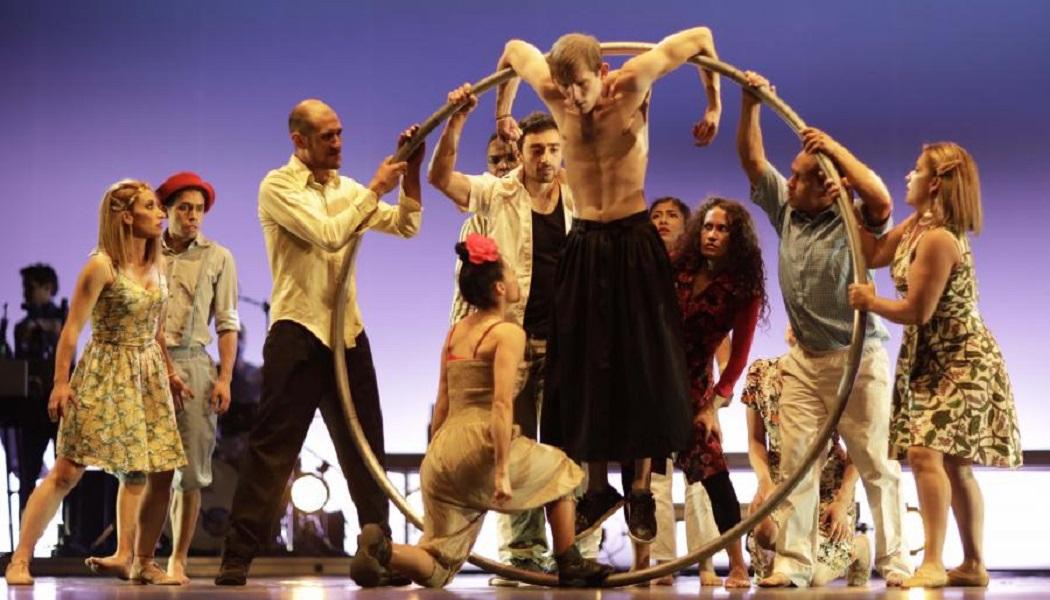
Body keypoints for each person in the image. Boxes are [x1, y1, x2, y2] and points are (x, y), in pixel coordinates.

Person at [494, 26, 722, 543]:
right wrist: (502, 113)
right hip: (586, 240)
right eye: (564, 88)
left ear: (602, 72)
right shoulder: (556, 93)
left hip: (632, 237)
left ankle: (638, 488)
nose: (573, 98)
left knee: (642, 360)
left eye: (581, 86)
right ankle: (597, 488)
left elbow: (701, 38)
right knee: (583, 361)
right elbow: (513, 50)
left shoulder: (634, 82)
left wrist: (714, 105)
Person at [214, 99, 424, 586]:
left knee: (366, 449)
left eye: (339, 133)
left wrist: (411, 172)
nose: (337, 143)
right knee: (274, 449)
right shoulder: (278, 186)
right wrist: (375, 188)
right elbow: (328, 235)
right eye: (327, 136)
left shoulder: (346, 189)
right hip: (299, 332)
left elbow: (407, 225)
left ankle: (379, 553)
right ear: (300, 140)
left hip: (347, 333)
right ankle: (237, 555)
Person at [350, 235, 613, 588]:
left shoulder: (455, 333)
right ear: (500, 288)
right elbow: (501, 404)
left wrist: (434, 458)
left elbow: (443, 401)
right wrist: (501, 471)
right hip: (481, 445)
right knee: (563, 470)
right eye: (512, 274)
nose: (518, 280)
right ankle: (570, 561)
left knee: (439, 566)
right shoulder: (507, 333)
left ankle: (382, 550)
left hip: (443, 452)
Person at [736, 71, 910, 588]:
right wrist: (750, 104)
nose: (788, 183)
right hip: (807, 360)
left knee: (875, 462)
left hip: (857, 356)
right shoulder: (788, 211)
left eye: (798, 177)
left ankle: (895, 561)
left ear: (825, 185)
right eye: (790, 176)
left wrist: (832, 149)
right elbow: (752, 160)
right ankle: (793, 563)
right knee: (796, 462)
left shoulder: (851, 221)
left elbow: (881, 200)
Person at [848, 142, 1022, 588]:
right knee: (953, 463)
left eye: (916, 170)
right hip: (934, 356)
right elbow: (873, 254)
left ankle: (933, 561)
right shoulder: (919, 225)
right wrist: (845, 202)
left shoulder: (940, 238)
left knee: (926, 452)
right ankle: (974, 564)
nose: (908, 176)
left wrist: (871, 301)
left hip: (962, 359)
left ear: (935, 183)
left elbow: (917, 311)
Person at [5, 180, 189, 586]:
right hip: (106, 370)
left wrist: (171, 373)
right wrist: (60, 383)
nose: (161, 214)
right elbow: (71, 330)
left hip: (147, 375)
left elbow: (156, 331)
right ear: (126, 216)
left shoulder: (159, 266)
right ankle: (19, 559)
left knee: (150, 470)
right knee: (67, 469)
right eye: (150, 206)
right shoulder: (102, 266)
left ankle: (136, 559)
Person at [429, 85, 577, 582]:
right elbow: (440, 178)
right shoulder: (498, 192)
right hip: (511, 338)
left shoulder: (576, 194)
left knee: (567, 443)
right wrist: (456, 120)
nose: (546, 159)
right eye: (537, 150)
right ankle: (523, 553)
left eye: (554, 149)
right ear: (521, 151)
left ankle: (574, 549)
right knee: (510, 440)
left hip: (564, 340)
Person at [667, 197, 765, 588]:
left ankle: (737, 564)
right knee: (639, 470)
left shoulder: (743, 290)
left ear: (735, 238)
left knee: (713, 471)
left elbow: (738, 359)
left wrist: (713, 405)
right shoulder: (679, 264)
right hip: (653, 377)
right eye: (708, 226)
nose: (712, 234)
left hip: (694, 387)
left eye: (722, 229)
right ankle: (644, 562)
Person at [745, 328, 873, 587]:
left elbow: (857, 448)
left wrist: (842, 500)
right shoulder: (761, 373)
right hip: (781, 487)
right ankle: (787, 555)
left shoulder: (834, 375)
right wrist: (765, 482)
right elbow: (756, 440)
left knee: (813, 576)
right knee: (766, 539)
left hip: (826, 491)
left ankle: (859, 547)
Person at [637, 197, 722, 587]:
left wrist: (716, 399)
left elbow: (719, 332)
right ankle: (663, 562)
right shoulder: (644, 272)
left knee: (699, 476)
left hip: (694, 387)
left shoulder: (700, 273)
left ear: (687, 227)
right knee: (655, 477)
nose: (662, 221)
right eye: (656, 216)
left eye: (671, 215)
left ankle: (705, 561)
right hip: (653, 385)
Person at [5, 264, 65, 512]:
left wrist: (45, 328)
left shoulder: (63, 322)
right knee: (28, 472)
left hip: (61, 407)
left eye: (30, 287)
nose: (26, 293)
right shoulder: (22, 327)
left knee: (66, 472)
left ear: (47, 288)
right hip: (32, 408)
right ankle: (26, 527)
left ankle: (70, 528)